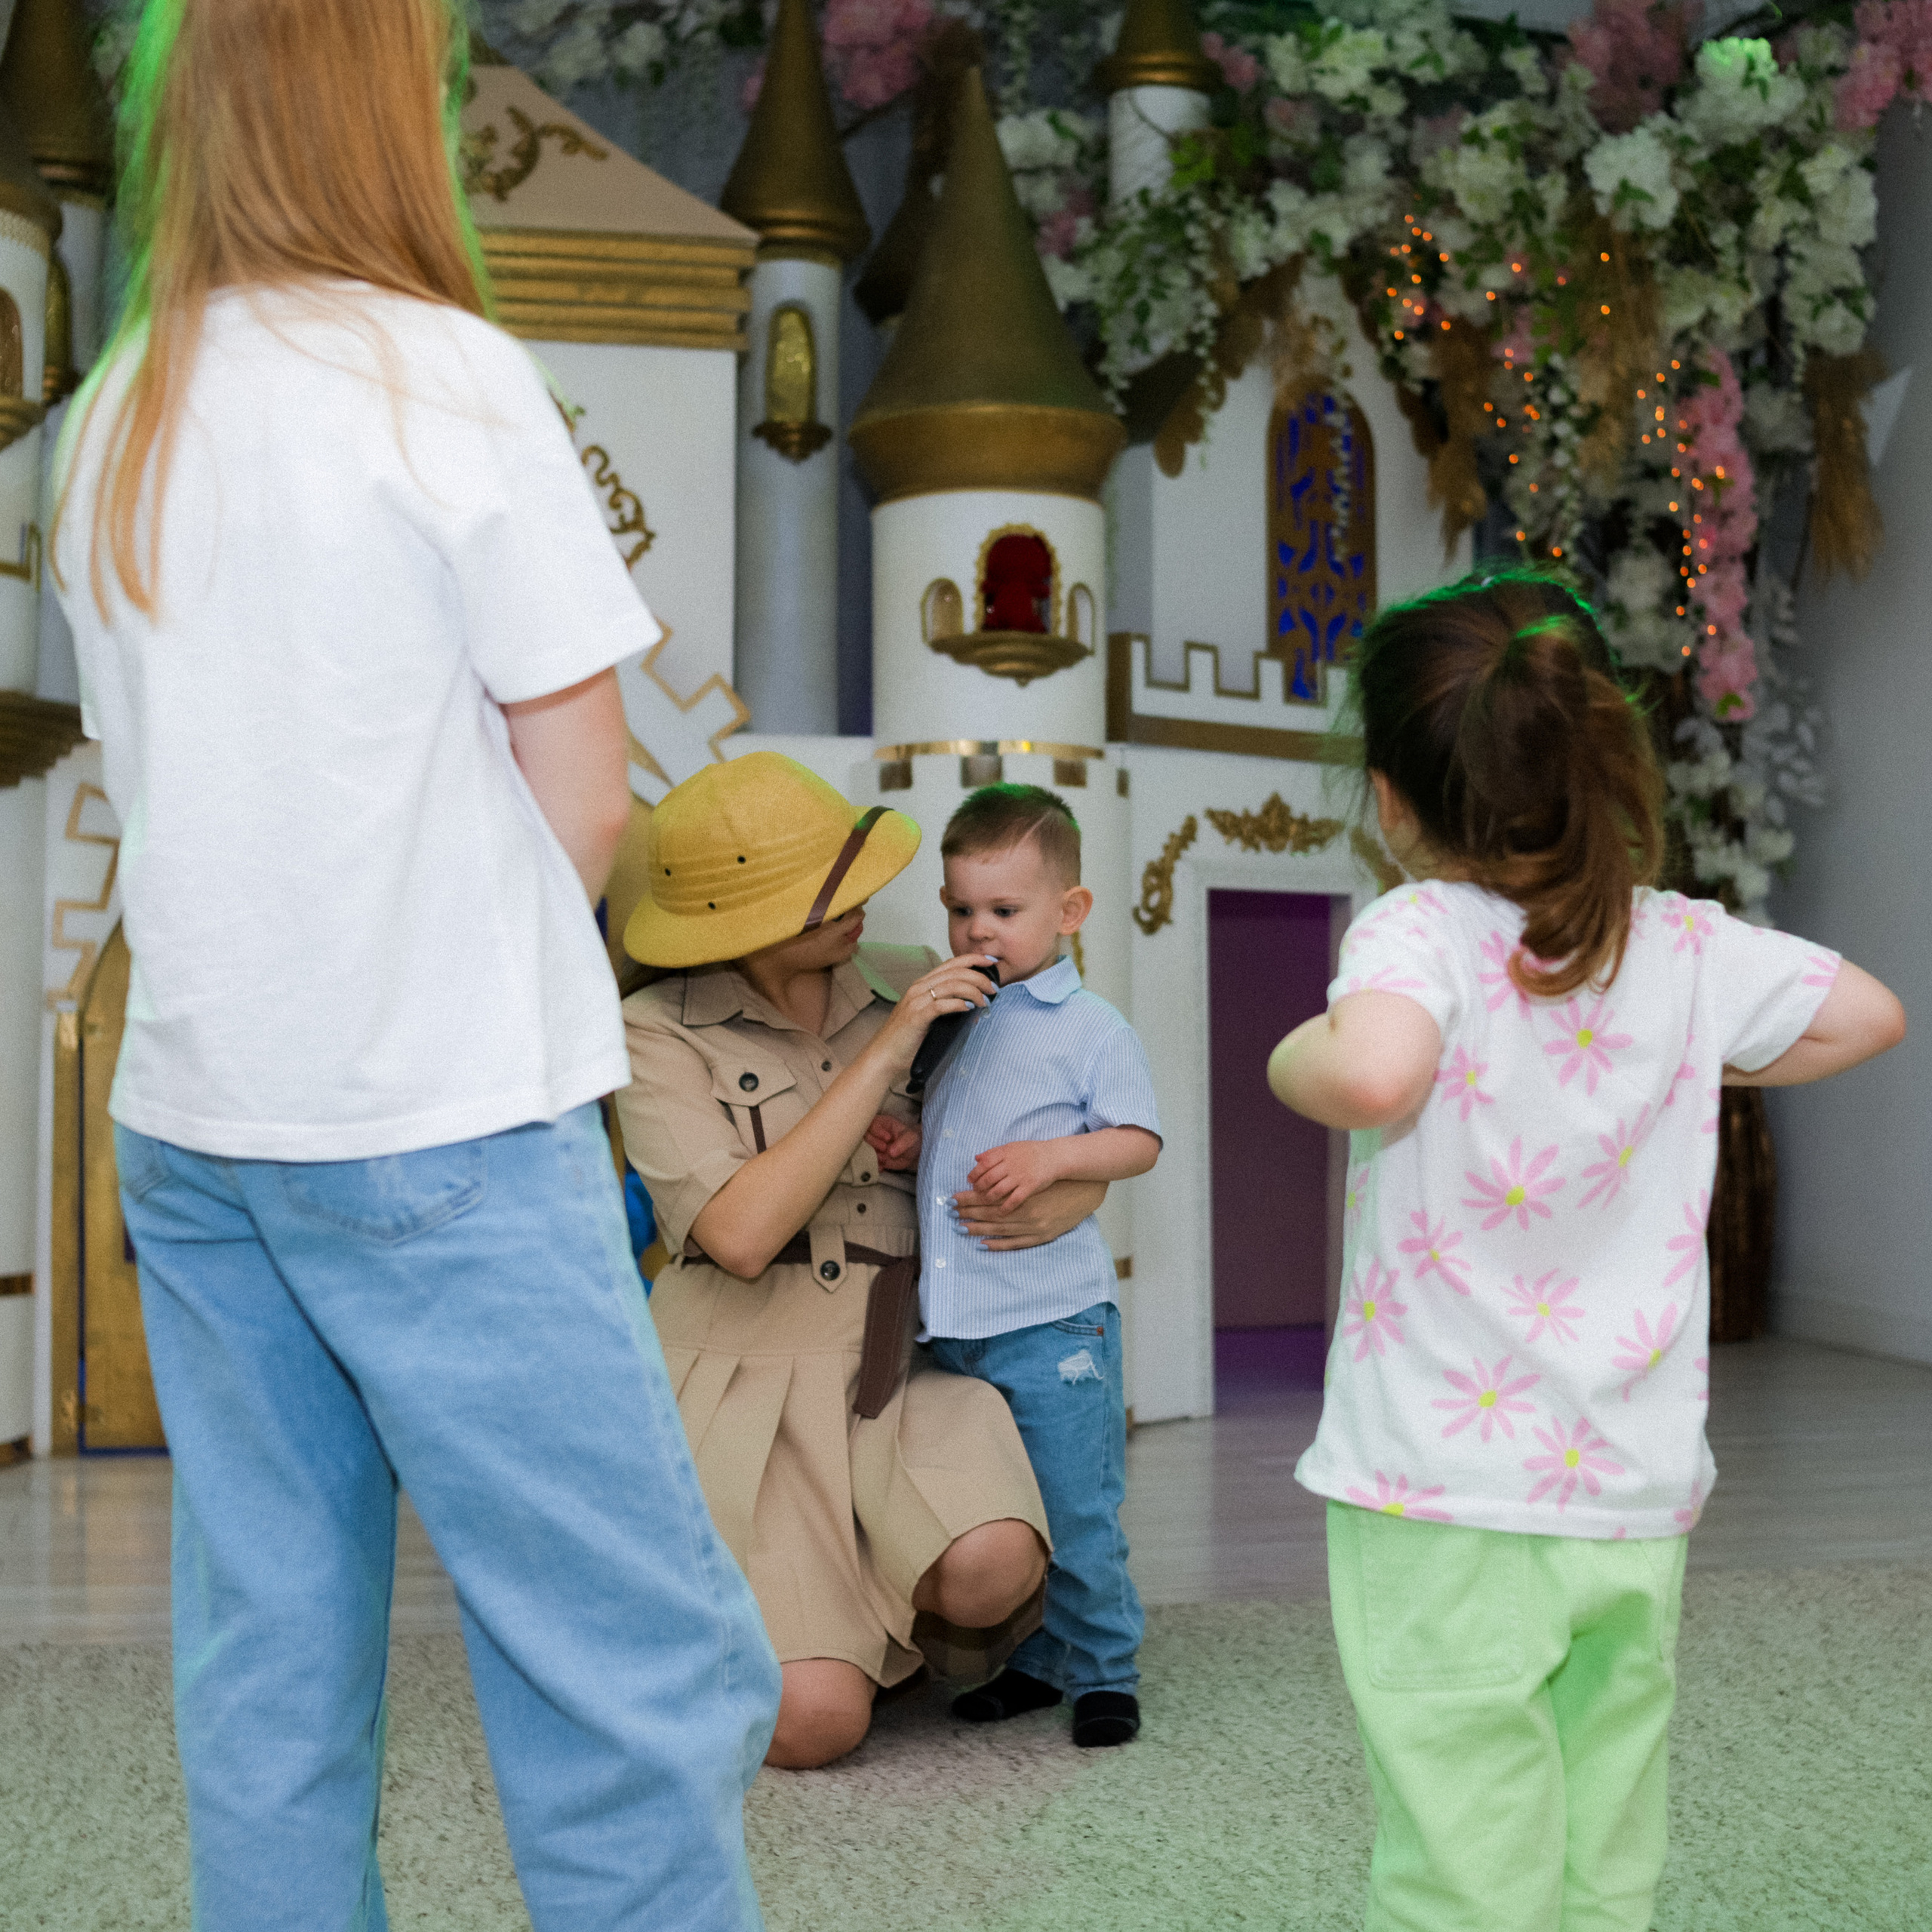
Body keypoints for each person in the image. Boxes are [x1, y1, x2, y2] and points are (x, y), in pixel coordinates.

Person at [51, 5, 778, 1927]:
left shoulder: (112, 407)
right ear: (389, 105)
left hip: (198, 1127)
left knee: (272, 1662)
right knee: (637, 1665)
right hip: (440, 1123)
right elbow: (586, 796)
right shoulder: (438, 375)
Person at [1268, 570, 1906, 1932]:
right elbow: (1869, 1015)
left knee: (1461, 1843)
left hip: (1441, 1490)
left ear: (1391, 798)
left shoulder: (1419, 930)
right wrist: (1677, 1059)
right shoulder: (1677, 945)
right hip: (1630, 1487)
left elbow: (1376, 1076)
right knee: (1605, 1828)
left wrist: (1289, 1056)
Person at [617, 752, 1113, 1770]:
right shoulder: (652, 1035)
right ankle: (780, 1629)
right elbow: (741, 1237)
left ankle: (869, 1618)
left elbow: (1066, 1085)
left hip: (904, 1362)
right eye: (827, 887)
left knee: (992, 1565)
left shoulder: (908, 969)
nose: (867, 897)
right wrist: (889, 1053)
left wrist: (1070, 1185)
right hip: (742, 1380)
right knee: (812, 1730)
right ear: (741, 916)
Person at [875, 785, 1161, 1749]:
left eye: (1003, 911)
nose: (977, 929)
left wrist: (1053, 1159)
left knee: (1076, 1503)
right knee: (1015, 1505)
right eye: (960, 909)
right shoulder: (962, 1013)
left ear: (1068, 912)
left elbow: (1135, 1142)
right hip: (960, 1325)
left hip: (1051, 1318)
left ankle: (1107, 1667)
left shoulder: (1092, 1029)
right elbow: (969, 1131)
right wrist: (915, 1150)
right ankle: (1043, 1656)